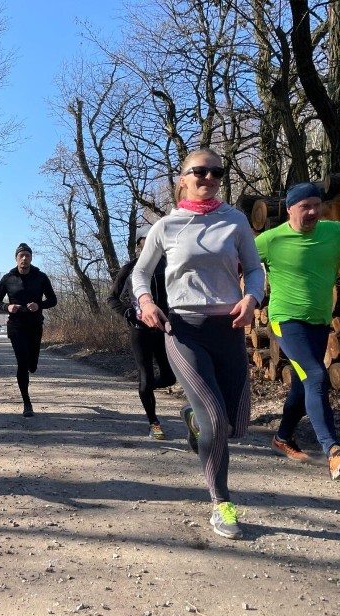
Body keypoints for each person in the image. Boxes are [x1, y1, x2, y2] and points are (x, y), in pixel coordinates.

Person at [131, 149, 264, 540]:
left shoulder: (235, 221)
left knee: (236, 426)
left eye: (216, 173)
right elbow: (141, 272)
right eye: (200, 172)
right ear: (184, 178)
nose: (209, 178)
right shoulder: (166, 226)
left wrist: (252, 298)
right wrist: (146, 302)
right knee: (216, 422)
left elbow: (254, 270)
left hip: (229, 329)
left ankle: (194, 418)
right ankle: (221, 503)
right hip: (184, 330)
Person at [255, 182, 340, 480]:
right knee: (315, 375)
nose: (313, 211)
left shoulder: (334, 232)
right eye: (305, 207)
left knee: (303, 384)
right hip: (285, 320)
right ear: (290, 209)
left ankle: (283, 438)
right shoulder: (270, 240)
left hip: (319, 322)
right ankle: (333, 452)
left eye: (317, 205)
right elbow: (236, 260)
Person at [107, 225, 176, 440]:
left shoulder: (170, 266)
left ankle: (144, 389)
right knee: (145, 377)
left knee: (169, 377)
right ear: (139, 245)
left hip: (165, 330)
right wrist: (128, 312)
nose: (154, 241)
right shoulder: (130, 269)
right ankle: (153, 422)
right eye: (147, 238)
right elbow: (111, 299)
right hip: (140, 330)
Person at [0, 243, 58, 417]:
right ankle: (27, 403)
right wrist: (7, 307)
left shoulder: (41, 277)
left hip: (35, 325)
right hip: (16, 326)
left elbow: (53, 300)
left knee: (32, 365)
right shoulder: (8, 278)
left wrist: (39, 305)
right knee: (22, 362)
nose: (24, 258)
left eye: (27, 255)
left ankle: (31, 365)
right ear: (16, 258)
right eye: (21, 255)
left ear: (31, 258)